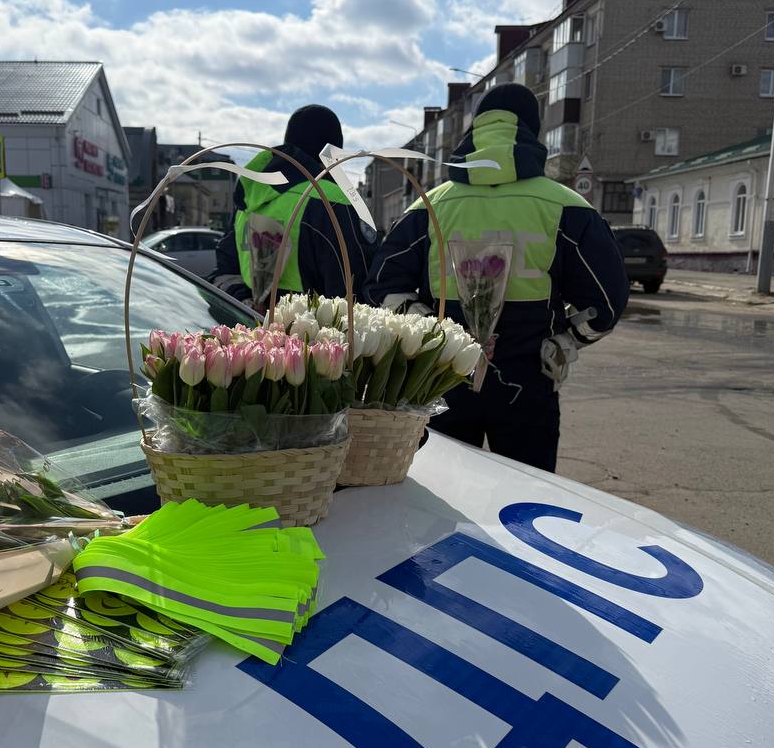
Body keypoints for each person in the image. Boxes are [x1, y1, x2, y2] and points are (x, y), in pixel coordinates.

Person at [366, 83, 628, 473]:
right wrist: (566, 342)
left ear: (474, 130)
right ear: (532, 132)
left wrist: (428, 331)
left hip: (442, 377)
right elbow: (607, 302)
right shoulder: (567, 207)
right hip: (527, 383)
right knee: (526, 494)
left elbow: (382, 285)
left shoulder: (429, 206)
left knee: (443, 491)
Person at [213, 105, 373, 309]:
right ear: (333, 152)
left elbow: (225, 270)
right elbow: (357, 289)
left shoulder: (250, 197)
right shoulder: (332, 199)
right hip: (316, 327)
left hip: (252, 323)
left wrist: (249, 304)